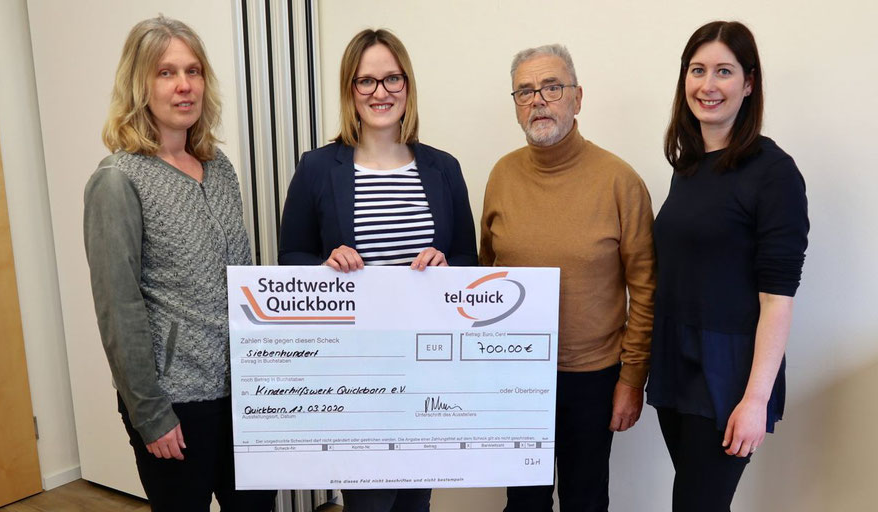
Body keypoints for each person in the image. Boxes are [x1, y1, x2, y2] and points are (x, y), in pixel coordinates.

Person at [278, 28, 477, 511]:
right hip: (356, 376)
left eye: (392, 79)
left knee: (415, 501)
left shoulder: (443, 168)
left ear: (408, 87)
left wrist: (445, 265)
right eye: (366, 81)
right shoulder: (317, 168)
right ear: (350, 90)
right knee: (370, 502)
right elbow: (290, 259)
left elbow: (470, 262)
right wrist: (327, 265)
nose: (380, 92)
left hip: (427, 371)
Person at [84, 16, 276, 511]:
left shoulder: (219, 168)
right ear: (139, 84)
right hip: (176, 402)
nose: (184, 85)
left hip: (244, 390)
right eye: (166, 73)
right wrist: (150, 413)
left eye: (193, 71)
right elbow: (117, 306)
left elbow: (243, 278)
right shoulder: (118, 180)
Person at [480, 44, 655, 512]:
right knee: (523, 502)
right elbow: (483, 279)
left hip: (593, 377)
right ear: (515, 104)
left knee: (585, 499)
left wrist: (632, 377)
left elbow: (646, 288)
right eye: (525, 91)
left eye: (552, 87)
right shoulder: (501, 176)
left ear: (577, 98)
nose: (538, 100)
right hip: (515, 374)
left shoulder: (620, 181)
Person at [646, 21, 809, 512]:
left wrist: (755, 399)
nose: (708, 85)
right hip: (675, 360)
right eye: (698, 70)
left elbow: (778, 296)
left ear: (749, 83)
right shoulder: (688, 166)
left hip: (728, 373)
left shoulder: (774, 173)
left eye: (724, 71)